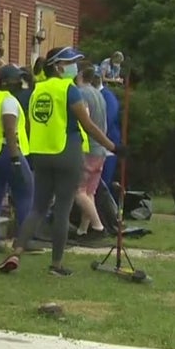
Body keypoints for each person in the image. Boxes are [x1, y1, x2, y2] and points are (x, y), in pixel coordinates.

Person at [0, 46, 124, 277]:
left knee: (37, 207)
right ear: (58, 66)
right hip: (67, 151)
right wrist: (113, 146)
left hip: (41, 153)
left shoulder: (38, 90)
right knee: (63, 209)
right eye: (70, 63)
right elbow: (87, 125)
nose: (74, 67)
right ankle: (56, 264)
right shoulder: (69, 90)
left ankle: (16, 252)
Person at [0, 65, 33, 254]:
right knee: (26, 191)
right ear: (5, 82)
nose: (20, 82)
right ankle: (23, 241)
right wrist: (15, 157)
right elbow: (9, 129)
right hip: (6, 151)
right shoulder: (8, 101)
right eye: (17, 79)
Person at [72, 65, 109, 242]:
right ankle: (83, 230)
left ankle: (98, 226)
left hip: (89, 148)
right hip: (101, 149)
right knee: (89, 192)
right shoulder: (98, 93)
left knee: (78, 191)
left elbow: (84, 119)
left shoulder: (81, 93)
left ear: (79, 74)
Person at [99, 73, 123, 201]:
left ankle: (107, 214)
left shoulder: (108, 97)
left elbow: (106, 121)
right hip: (99, 145)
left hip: (108, 146)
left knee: (104, 183)